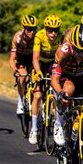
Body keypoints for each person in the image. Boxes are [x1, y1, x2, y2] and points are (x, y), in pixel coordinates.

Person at [28, 14, 62, 145]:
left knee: (57, 89)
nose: (53, 33)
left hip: (52, 64)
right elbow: (35, 58)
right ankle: (34, 129)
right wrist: (38, 72)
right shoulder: (39, 36)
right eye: (50, 30)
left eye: (56, 30)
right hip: (40, 64)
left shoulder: (60, 38)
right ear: (45, 29)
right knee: (37, 96)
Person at [9, 14, 37, 116]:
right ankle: (20, 102)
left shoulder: (36, 37)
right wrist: (14, 70)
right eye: (29, 29)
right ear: (23, 28)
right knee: (22, 77)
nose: (32, 31)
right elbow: (12, 59)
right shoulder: (17, 38)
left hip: (32, 59)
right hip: (21, 59)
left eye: (34, 28)